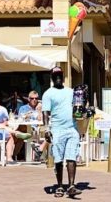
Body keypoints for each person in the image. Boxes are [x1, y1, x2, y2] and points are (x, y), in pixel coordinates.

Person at [42, 66, 81, 198]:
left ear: (63, 77)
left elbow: (78, 107)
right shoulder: (48, 94)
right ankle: (59, 185)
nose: (58, 77)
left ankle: (71, 186)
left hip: (72, 129)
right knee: (58, 160)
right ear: (52, 78)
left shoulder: (71, 92)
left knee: (71, 156)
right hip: (57, 130)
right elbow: (46, 113)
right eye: (55, 76)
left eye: (60, 75)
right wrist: (47, 129)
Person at [6, 90, 40, 164]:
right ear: (28, 99)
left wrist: (39, 110)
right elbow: (21, 119)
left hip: (36, 129)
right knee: (15, 135)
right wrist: (26, 115)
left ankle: (11, 155)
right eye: (32, 98)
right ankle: (11, 156)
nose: (34, 100)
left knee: (20, 135)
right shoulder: (23, 108)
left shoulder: (40, 107)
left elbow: (42, 120)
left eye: (36, 98)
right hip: (24, 128)